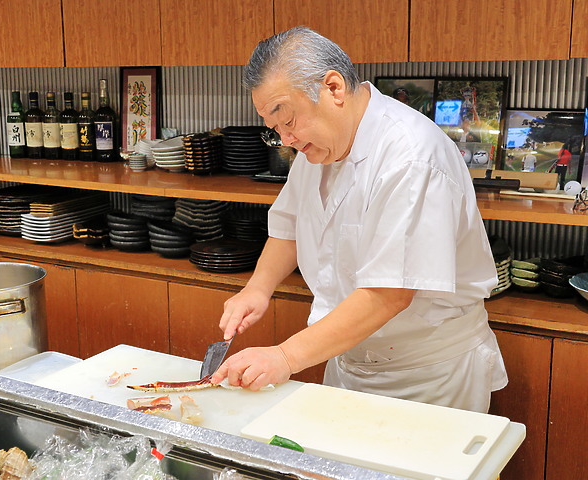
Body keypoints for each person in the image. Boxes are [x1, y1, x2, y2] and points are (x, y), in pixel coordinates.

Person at [210, 26, 507, 414]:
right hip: (347, 356)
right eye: (275, 129)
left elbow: (389, 294)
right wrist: (257, 288)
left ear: (332, 88)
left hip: (428, 375)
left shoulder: (410, 156)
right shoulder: (318, 147)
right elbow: (289, 227)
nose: (286, 139)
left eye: (288, 120)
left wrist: (284, 357)